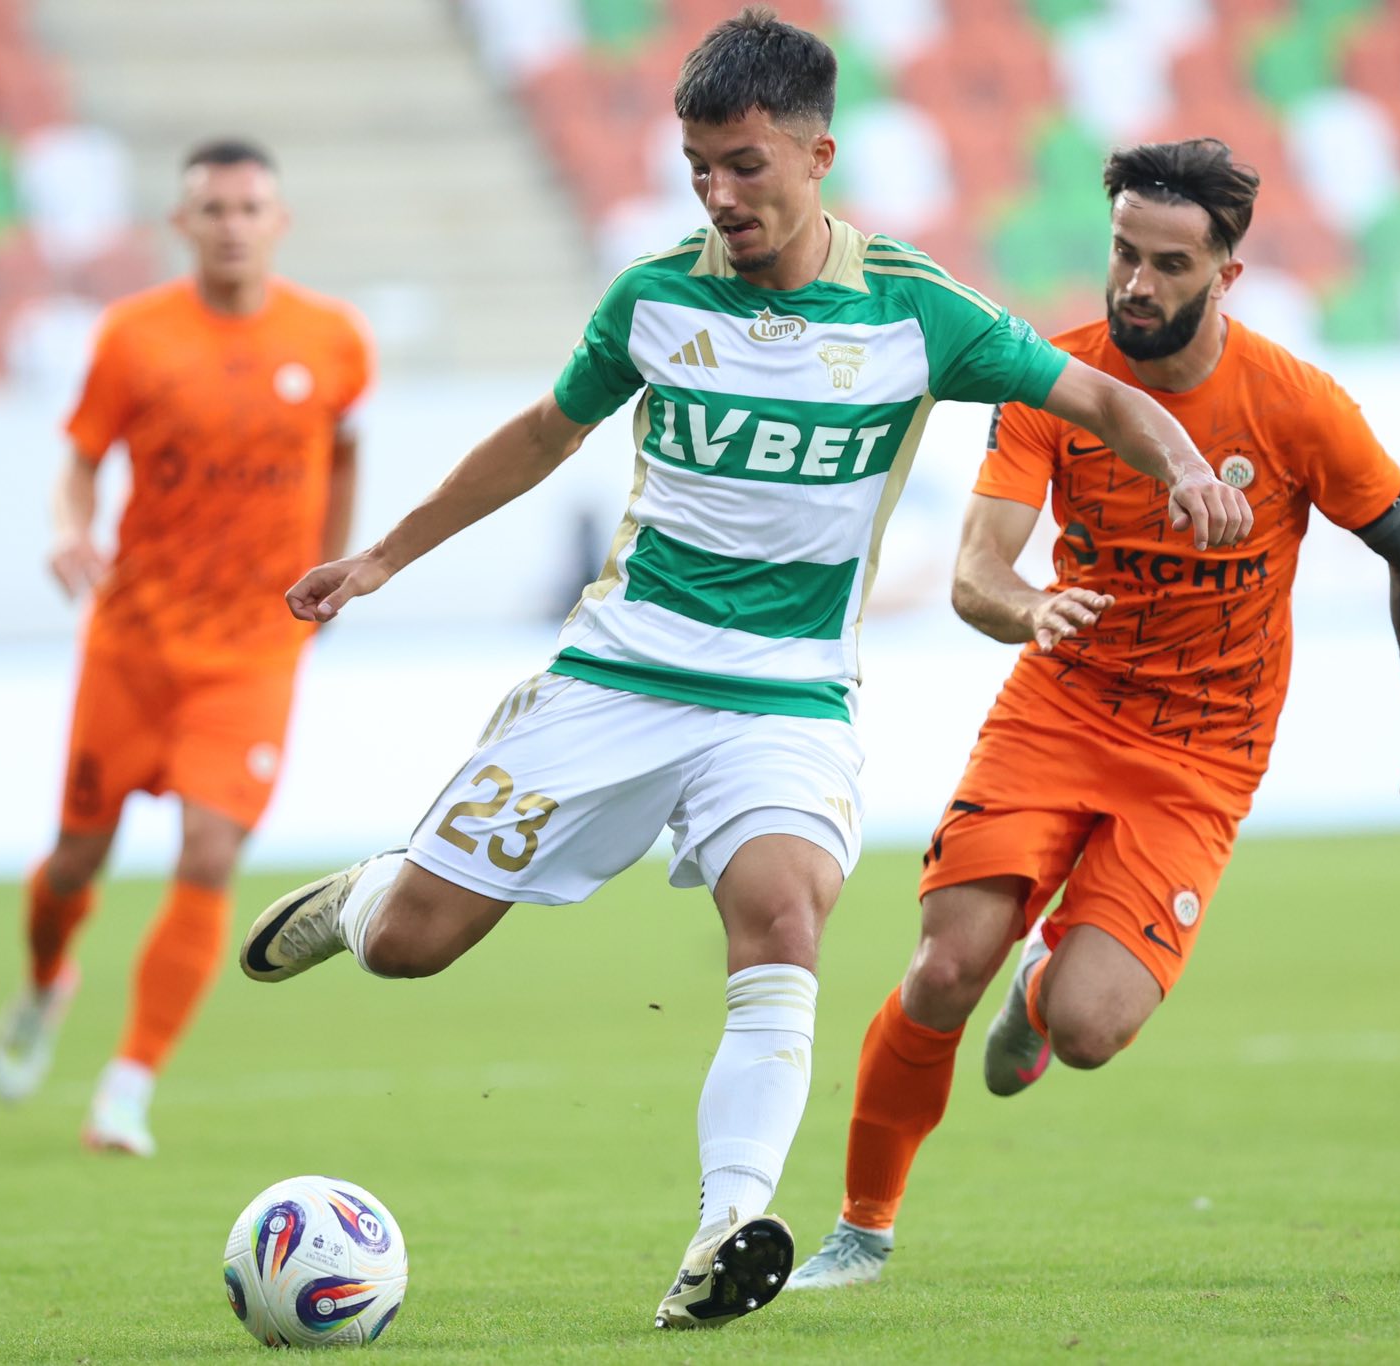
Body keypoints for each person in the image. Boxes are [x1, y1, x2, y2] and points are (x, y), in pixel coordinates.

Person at [233, 10, 1251, 1333]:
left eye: (745, 165)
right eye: (697, 166)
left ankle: (726, 1226)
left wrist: (1183, 464)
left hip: (786, 697)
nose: (719, 195)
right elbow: (542, 434)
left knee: (783, 916)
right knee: (413, 946)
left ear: (818, 155)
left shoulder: (915, 311)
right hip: (617, 674)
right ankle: (366, 894)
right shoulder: (654, 298)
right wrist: (383, 556)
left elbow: (1102, 395)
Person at [785, 137, 1400, 1290]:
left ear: (1225, 275)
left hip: (1202, 753)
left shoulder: (1294, 405)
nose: (1135, 284)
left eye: (1168, 264)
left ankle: (1042, 986)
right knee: (945, 963)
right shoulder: (1053, 381)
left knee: (1089, 1029)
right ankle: (861, 1228)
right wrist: (1028, 608)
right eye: (1123, 253)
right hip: (1057, 714)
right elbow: (974, 572)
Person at [0, 139, 373, 1154]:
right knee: (76, 860)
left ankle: (129, 1083)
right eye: (214, 208)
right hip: (134, 644)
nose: (233, 225)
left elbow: (343, 456)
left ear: (278, 222)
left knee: (209, 849)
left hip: (252, 648)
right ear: (182, 224)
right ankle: (45, 980)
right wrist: (68, 528)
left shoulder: (333, 340)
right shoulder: (133, 336)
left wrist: (331, 573)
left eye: (250, 207)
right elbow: (80, 460)